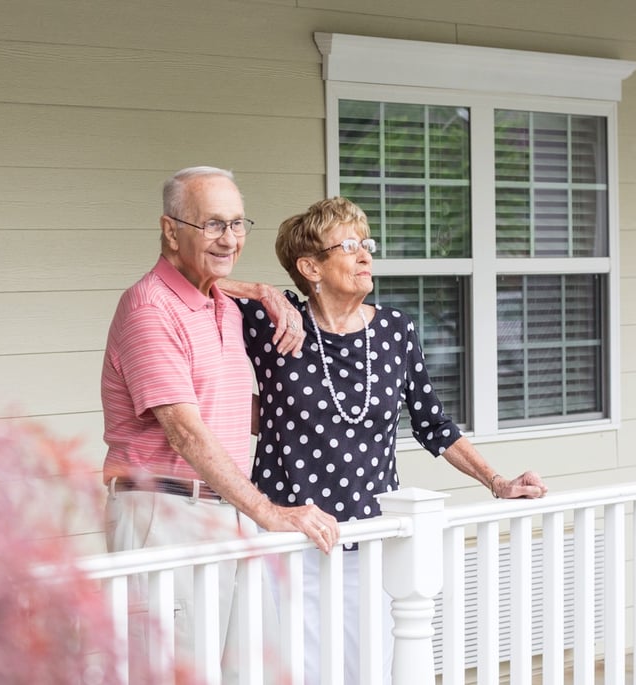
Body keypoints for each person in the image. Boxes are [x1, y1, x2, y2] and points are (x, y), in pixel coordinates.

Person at [230, 196, 548, 685]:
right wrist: (261, 292)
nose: (365, 255)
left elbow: (433, 425)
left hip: (371, 535)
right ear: (310, 267)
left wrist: (497, 481)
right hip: (289, 537)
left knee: (370, 672)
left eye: (367, 244)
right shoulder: (274, 322)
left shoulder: (395, 330)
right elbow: (193, 287)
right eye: (348, 246)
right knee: (300, 673)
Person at [100, 166, 340, 681]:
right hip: (166, 512)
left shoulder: (223, 305)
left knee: (251, 672)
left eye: (236, 223)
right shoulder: (148, 309)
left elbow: (223, 404)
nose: (229, 239)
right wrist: (269, 511)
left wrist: (324, 423)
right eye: (212, 224)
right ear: (170, 231)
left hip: (227, 508)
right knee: (177, 673)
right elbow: (185, 431)